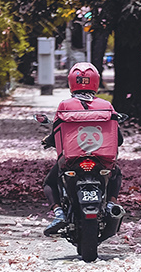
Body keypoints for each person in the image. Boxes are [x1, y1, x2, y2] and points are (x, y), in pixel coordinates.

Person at [43, 62, 123, 235]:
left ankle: (58, 213)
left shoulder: (65, 106)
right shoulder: (106, 105)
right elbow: (119, 139)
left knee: (50, 182)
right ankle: (111, 203)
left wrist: (48, 141)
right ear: (96, 81)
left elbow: (57, 133)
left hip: (72, 160)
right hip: (102, 160)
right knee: (116, 174)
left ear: (71, 81)